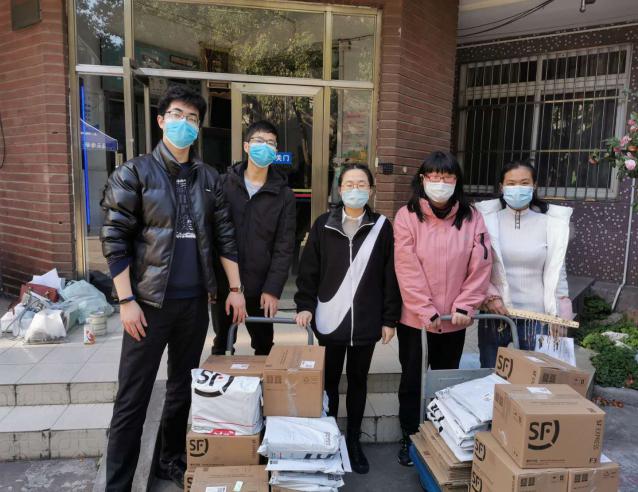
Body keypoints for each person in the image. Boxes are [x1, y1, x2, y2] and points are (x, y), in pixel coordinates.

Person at [100, 85, 247, 491]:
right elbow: (114, 239)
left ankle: (170, 459)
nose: (185, 123)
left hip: (194, 304)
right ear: (161, 120)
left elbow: (225, 237)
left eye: (193, 118)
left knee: (182, 387)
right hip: (148, 306)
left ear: (199, 128)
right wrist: (126, 300)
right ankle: (117, 484)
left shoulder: (210, 178)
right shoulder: (135, 173)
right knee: (132, 399)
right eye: (177, 115)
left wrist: (235, 288)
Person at [294, 164, 401, 474]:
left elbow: (390, 275)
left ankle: (353, 441)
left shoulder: (382, 226)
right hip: (329, 320)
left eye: (361, 184)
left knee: (358, 381)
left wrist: (389, 318)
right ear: (339, 190)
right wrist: (305, 305)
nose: (355, 189)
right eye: (349, 184)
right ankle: (329, 438)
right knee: (328, 382)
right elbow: (309, 270)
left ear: (371, 190)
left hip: (366, 322)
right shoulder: (322, 225)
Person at [393, 151, 493, 466]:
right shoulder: (407, 216)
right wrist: (425, 310)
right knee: (412, 380)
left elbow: (481, 265)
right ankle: (409, 436)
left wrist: (466, 305)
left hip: (454, 319)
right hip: (415, 321)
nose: (440, 183)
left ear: (456, 181)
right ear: (422, 180)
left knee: (446, 382)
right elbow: (406, 267)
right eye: (434, 177)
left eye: (447, 177)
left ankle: (443, 437)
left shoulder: (472, 217)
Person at [475, 160, 573, 368]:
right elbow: (475, 266)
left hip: (537, 318)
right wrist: (489, 296)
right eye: (511, 183)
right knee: (489, 375)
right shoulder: (485, 222)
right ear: (501, 187)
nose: (517, 188)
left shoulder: (551, 225)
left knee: (533, 379)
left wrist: (560, 316)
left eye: (524, 183)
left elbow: (558, 272)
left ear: (534, 185)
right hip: (495, 312)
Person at [210, 120, 296, 356]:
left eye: (271, 143)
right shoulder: (223, 184)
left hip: (261, 287)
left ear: (275, 151)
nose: (265, 146)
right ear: (246, 146)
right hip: (225, 284)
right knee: (222, 344)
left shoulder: (283, 194)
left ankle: (262, 381)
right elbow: (212, 234)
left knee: (264, 347)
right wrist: (212, 283)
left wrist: (273, 289)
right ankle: (222, 381)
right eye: (259, 141)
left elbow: (284, 246)